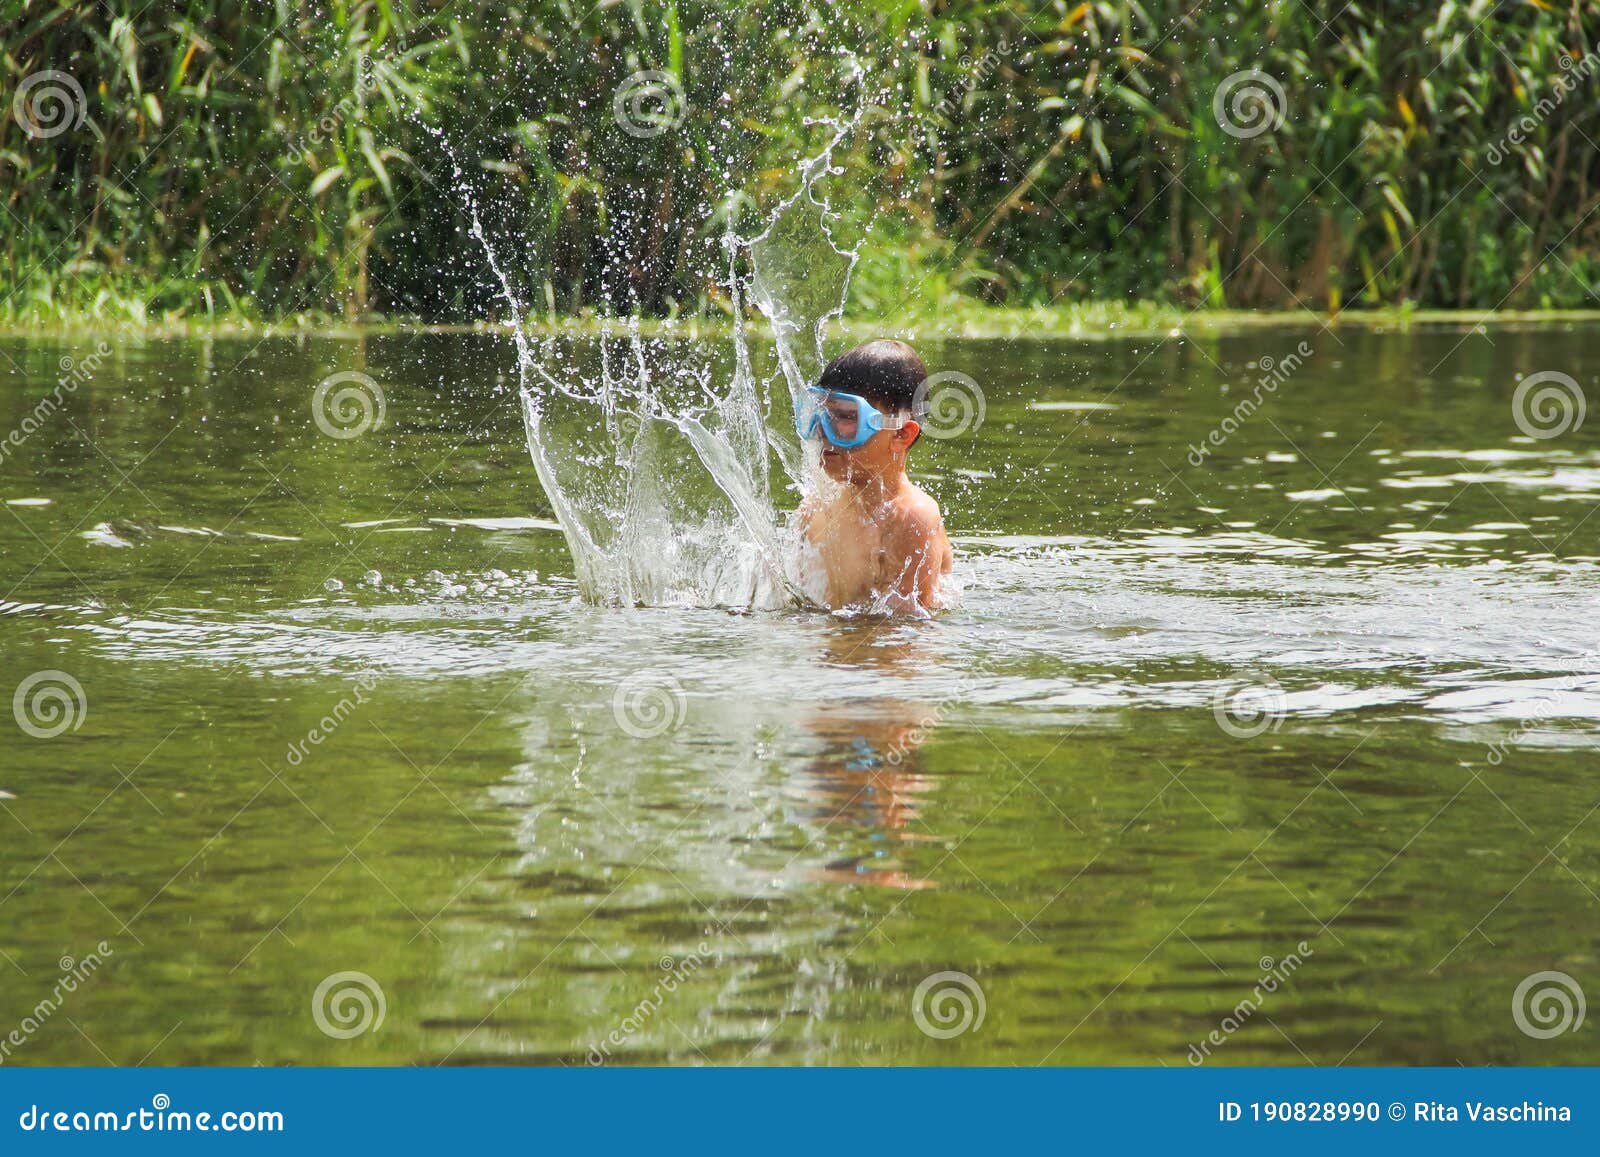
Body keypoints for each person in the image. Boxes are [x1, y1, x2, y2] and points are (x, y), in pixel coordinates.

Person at [795, 339, 953, 612]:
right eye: (821, 413)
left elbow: (910, 633)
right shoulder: (814, 510)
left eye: (845, 417)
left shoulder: (913, 519)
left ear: (901, 435)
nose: (822, 430)